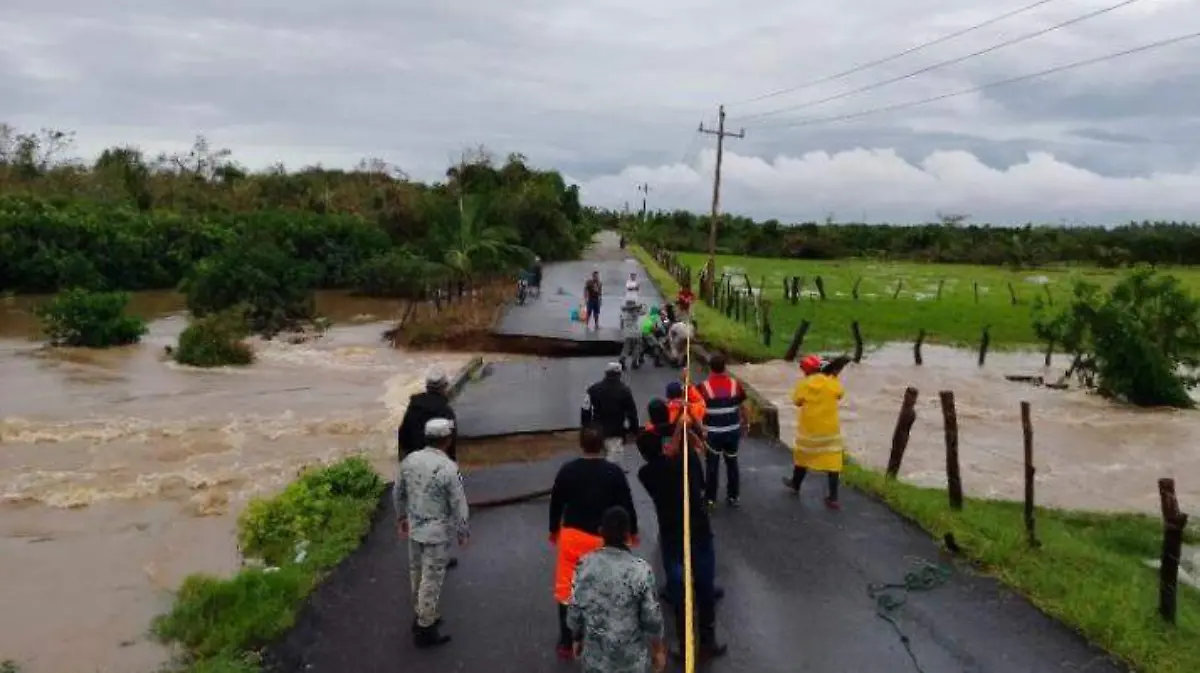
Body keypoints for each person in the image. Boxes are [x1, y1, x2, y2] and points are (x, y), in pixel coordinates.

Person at [636, 400, 728, 660]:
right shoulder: (684, 464)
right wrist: (683, 423)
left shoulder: (646, 473)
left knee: (679, 591)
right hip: (698, 531)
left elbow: (672, 450)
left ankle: (685, 644)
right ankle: (707, 641)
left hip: (672, 537)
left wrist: (678, 425)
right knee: (705, 586)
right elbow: (682, 451)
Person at [550, 427, 640, 660]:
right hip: (605, 537)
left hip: (573, 536)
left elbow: (557, 503)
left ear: (581, 444)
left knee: (567, 590)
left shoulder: (567, 471)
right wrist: (633, 531)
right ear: (602, 446)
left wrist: (553, 530)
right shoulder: (614, 472)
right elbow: (626, 503)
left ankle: (567, 642)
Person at [394, 418, 469, 648]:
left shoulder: (410, 460)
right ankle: (426, 627)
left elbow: (398, 491)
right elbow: (458, 502)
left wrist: (401, 517)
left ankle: (422, 613)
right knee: (432, 579)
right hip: (436, 532)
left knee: (417, 573)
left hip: (416, 527)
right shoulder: (448, 468)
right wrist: (462, 530)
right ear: (447, 440)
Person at [566, 506, 667, 673]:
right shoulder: (640, 571)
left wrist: (577, 637)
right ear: (627, 536)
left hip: (595, 661)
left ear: (600, 532)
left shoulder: (584, 565)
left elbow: (575, 608)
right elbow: (652, 618)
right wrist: (658, 650)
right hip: (630, 662)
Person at [396, 367, 460, 568]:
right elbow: (450, 444)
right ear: (443, 388)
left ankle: (418, 556)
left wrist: (403, 463)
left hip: (413, 465)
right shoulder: (445, 411)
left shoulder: (413, 406)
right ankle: (439, 557)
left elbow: (402, 434)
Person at [783, 354, 846, 510]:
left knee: (803, 457)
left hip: (809, 431)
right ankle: (833, 498)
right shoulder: (832, 383)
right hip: (830, 431)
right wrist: (834, 377)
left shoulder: (804, 384)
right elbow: (840, 394)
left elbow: (797, 402)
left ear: (805, 370)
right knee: (833, 463)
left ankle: (795, 484)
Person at [698, 353, 749, 508]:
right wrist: (746, 424)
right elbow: (743, 407)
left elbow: (696, 411)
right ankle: (733, 496)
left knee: (712, 465)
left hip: (712, 434)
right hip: (733, 432)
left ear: (710, 368)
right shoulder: (735, 385)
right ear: (725, 367)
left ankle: (710, 499)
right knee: (732, 462)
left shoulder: (703, 387)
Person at [580, 362, 639, 468]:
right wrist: (634, 430)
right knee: (613, 468)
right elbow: (632, 413)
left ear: (606, 373)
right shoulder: (625, 391)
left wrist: (586, 428)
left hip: (597, 434)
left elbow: (585, 409)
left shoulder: (593, 389)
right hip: (616, 434)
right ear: (620, 374)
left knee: (596, 466)